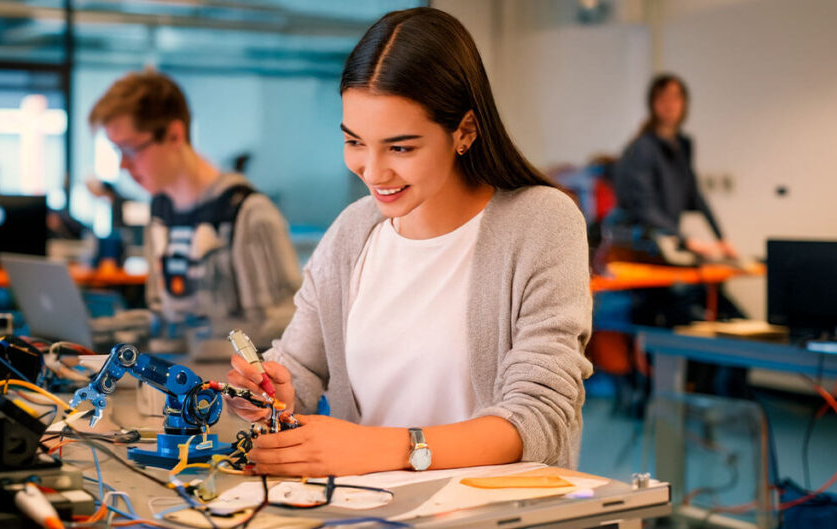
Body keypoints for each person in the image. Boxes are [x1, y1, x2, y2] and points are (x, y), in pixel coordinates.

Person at [225, 7, 593, 476]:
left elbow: (539, 419)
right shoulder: (352, 232)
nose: (374, 173)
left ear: (465, 131)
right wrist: (271, 390)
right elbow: (298, 365)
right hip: (371, 511)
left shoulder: (540, 222)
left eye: (400, 147)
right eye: (355, 142)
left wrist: (378, 449)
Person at [88, 69, 301, 357]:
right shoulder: (160, 211)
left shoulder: (247, 213)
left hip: (228, 391)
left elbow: (284, 326)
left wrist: (196, 337)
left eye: (131, 149)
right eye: (117, 151)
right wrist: (101, 330)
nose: (123, 166)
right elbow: (164, 317)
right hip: (177, 380)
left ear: (175, 135)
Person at [613, 74, 738, 261]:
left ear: (684, 103)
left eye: (675, 97)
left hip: (669, 240)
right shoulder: (642, 148)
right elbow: (644, 207)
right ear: (652, 104)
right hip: (644, 245)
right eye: (662, 98)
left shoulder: (683, 146)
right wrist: (686, 240)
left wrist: (722, 239)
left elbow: (695, 195)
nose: (669, 104)